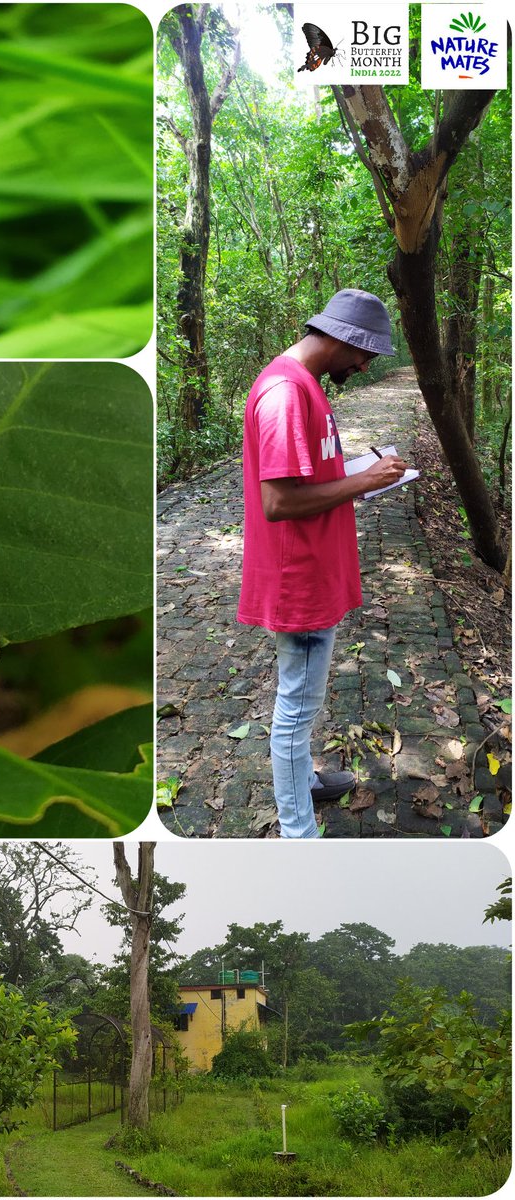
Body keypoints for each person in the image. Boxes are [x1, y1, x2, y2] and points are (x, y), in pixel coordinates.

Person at [237, 289, 410, 838]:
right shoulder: (287, 392)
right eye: (364, 355)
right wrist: (366, 480)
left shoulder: (304, 385)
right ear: (342, 339)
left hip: (314, 571)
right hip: (300, 580)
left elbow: (308, 477)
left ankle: (303, 782)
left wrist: (357, 470)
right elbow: (279, 501)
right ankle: (298, 832)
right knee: (296, 708)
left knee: (303, 698)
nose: (364, 365)